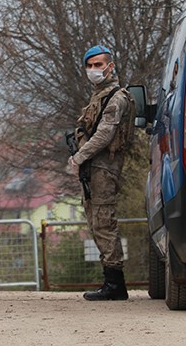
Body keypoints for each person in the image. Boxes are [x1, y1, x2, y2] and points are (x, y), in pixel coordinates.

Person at [67, 45, 134, 301]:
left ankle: (115, 284)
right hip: (94, 168)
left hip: (105, 167)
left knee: (104, 222)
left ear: (110, 66)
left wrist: (79, 157)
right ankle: (110, 280)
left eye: (98, 65)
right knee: (95, 222)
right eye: (90, 65)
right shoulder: (99, 95)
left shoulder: (116, 98)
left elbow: (105, 135)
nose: (94, 70)